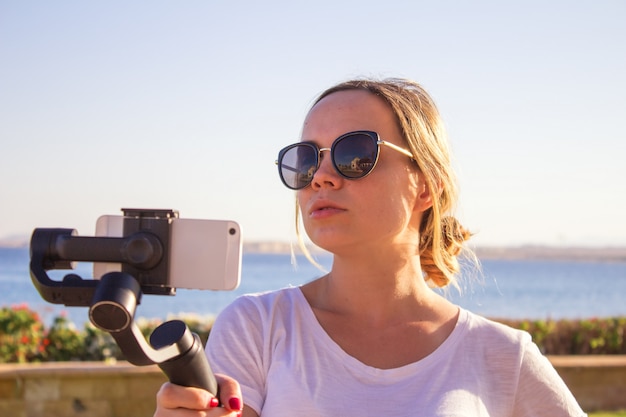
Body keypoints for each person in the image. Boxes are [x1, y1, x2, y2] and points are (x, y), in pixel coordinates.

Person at [154, 78, 586, 417]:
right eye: (307, 158)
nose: (321, 176)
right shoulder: (257, 329)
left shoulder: (503, 356)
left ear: (426, 187)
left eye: (354, 154)